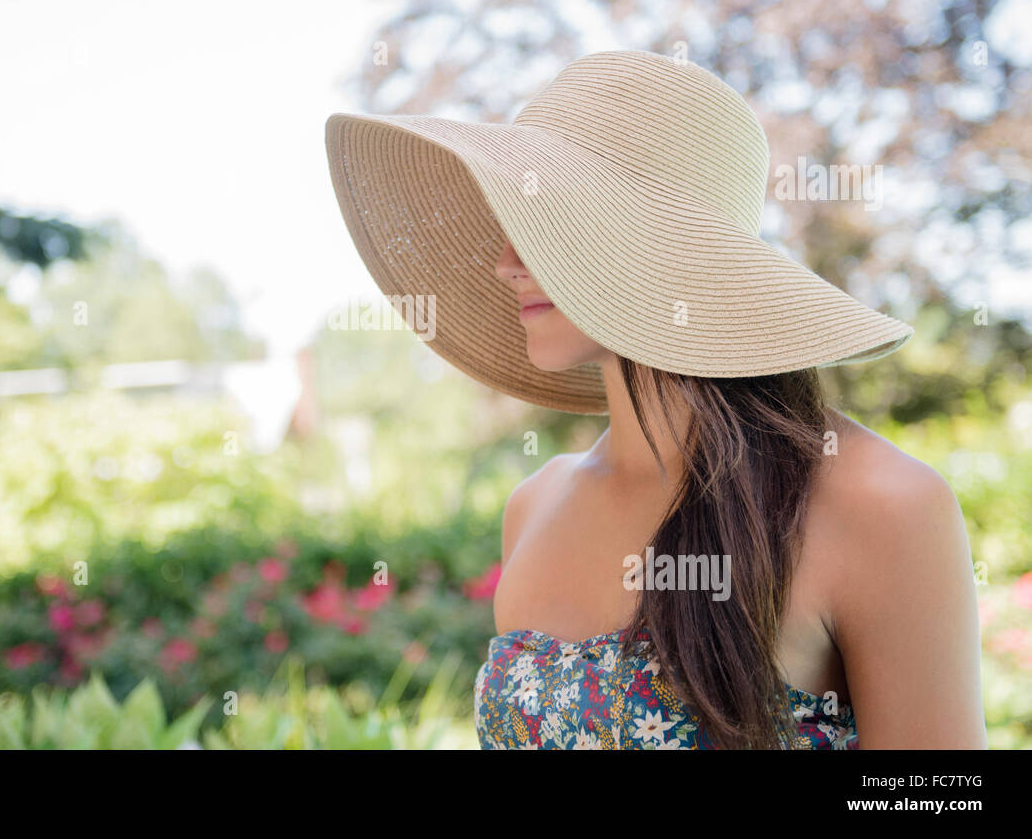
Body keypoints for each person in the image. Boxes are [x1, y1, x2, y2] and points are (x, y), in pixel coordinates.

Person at [323, 49, 987, 749]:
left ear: (659, 245)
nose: (505, 263)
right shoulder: (535, 506)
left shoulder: (881, 504)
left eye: (547, 220)